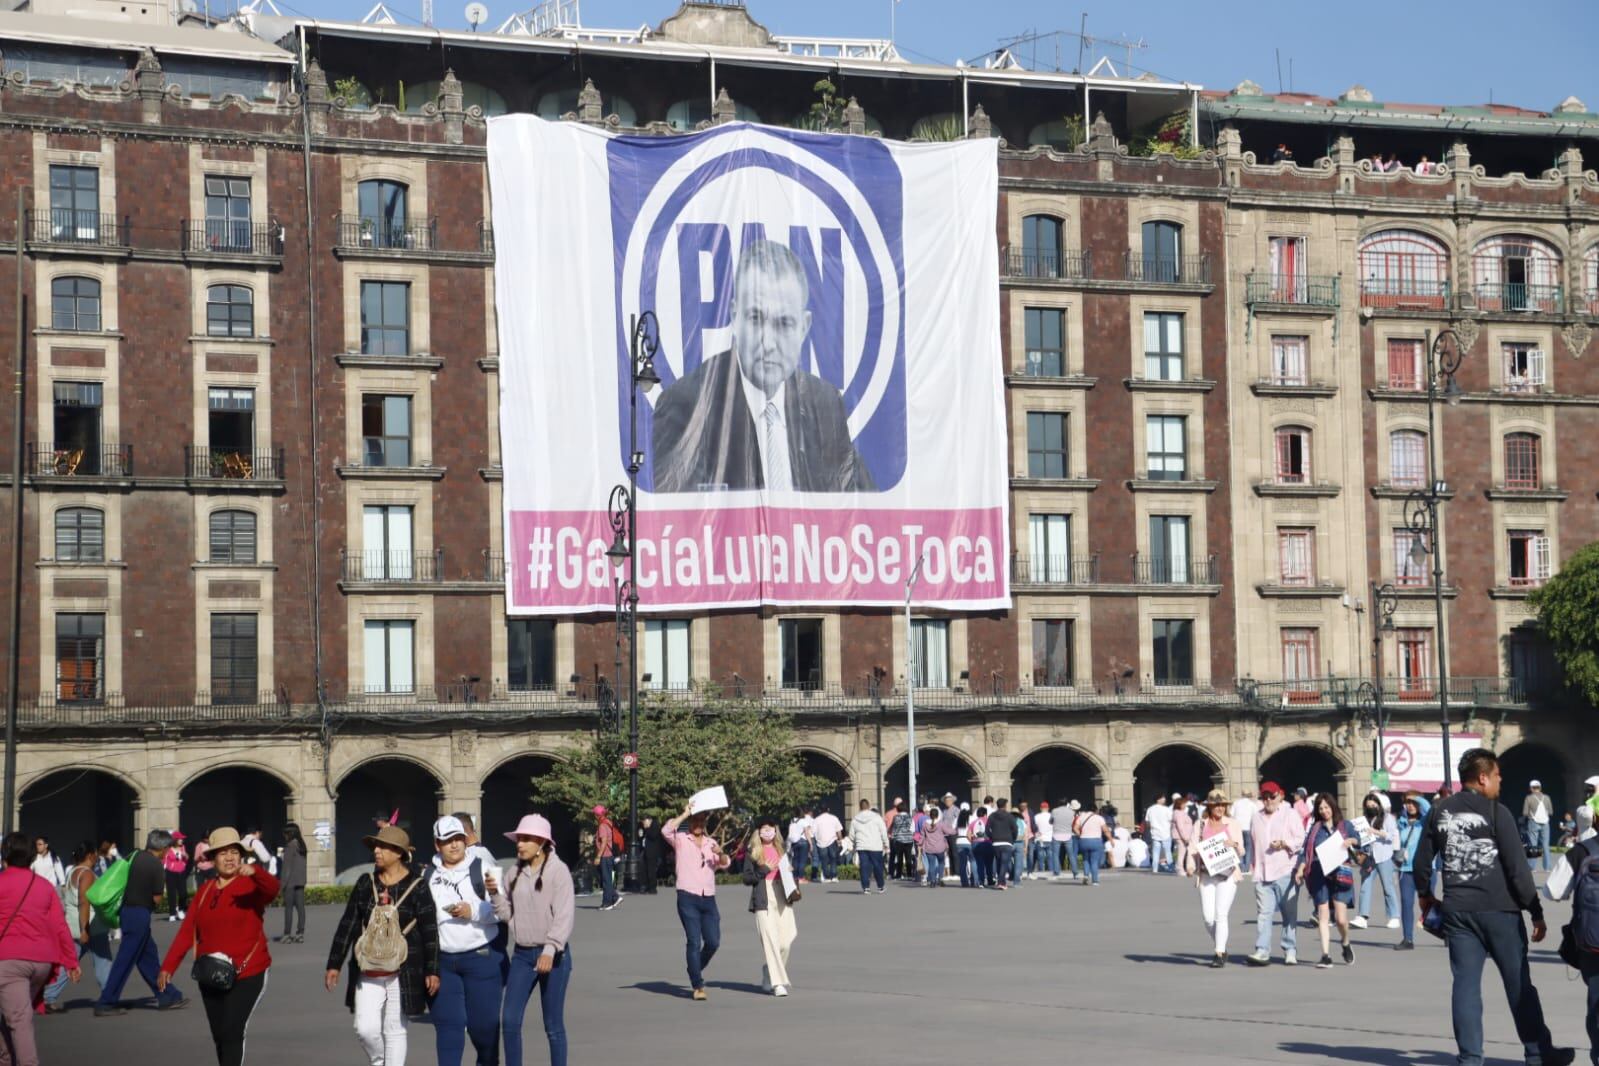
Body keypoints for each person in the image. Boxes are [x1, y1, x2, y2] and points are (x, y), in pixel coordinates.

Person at [650, 239, 876, 494]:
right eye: (756, 318)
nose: (768, 343)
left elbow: (864, 507)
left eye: (784, 323)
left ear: (804, 327)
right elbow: (674, 521)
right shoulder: (686, 406)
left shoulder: (825, 405)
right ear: (735, 317)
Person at [1416, 748, 1575, 1066]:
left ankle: (1470, 1059)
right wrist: (1536, 912)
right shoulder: (1496, 811)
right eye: (1498, 774)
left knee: (1465, 987)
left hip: (1458, 912)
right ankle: (1537, 1053)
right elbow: (1517, 869)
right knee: (1519, 985)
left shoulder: (1439, 811)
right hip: (1500, 911)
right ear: (1482, 777)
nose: (1501, 780)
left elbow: (1421, 862)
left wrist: (1426, 896)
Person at [157, 828, 277, 1066]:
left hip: (248, 972)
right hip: (211, 975)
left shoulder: (250, 886)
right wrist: (168, 966)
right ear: (213, 858)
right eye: (223, 853)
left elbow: (273, 889)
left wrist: (256, 873)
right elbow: (186, 931)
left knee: (232, 1031)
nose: (230, 857)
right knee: (220, 1036)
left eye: (234, 852)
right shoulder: (204, 892)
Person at [325, 824, 440, 1066]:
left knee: (395, 1029)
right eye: (375, 846)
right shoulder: (366, 883)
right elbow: (349, 923)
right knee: (364, 1028)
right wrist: (334, 963)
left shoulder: (418, 886)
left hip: (405, 968)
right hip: (369, 966)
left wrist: (432, 970)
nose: (376, 851)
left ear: (399, 853)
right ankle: (380, 1061)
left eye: (383, 847)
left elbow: (430, 930)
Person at [494, 815, 573, 1066]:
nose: (519, 844)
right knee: (509, 1021)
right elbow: (507, 914)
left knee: (552, 1025)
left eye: (525, 839)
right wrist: (495, 894)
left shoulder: (558, 872)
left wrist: (550, 950)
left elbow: (564, 915)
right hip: (522, 954)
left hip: (554, 955)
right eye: (518, 839)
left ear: (541, 842)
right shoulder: (514, 872)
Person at [427, 815, 506, 1066]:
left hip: (481, 959)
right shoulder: (428, 875)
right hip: (443, 963)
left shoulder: (485, 869)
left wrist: (471, 911)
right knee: (448, 1030)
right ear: (437, 844)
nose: (454, 845)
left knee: (484, 1029)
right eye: (447, 840)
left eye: (458, 839)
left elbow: (502, 910)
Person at [0, 831, 79, 1062]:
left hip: (9, 961)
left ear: (5, 855)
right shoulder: (44, 886)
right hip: (41, 963)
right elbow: (59, 926)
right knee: (13, 1014)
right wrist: (71, 961)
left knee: (18, 1019)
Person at [96, 828, 185, 1015]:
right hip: (140, 914)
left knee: (148, 959)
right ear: (162, 848)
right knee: (125, 960)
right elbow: (158, 898)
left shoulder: (134, 856)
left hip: (127, 911)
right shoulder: (155, 865)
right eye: (168, 848)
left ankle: (168, 995)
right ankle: (106, 1002)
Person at [662, 802, 731, 1001]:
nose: (698, 824)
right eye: (695, 820)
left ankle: (694, 967)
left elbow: (726, 863)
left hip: (708, 897)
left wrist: (720, 852)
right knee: (693, 941)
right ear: (690, 822)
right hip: (687, 896)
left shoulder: (711, 843)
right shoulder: (681, 839)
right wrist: (685, 813)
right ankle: (698, 985)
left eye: (701, 821)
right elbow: (666, 830)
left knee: (713, 942)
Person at [42, 841, 112, 1010]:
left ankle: (48, 996)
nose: (97, 857)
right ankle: (109, 996)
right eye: (95, 854)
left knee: (69, 962)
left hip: (73, 925)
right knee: (103, 963)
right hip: (89, 927)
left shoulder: (73, 871)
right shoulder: (87, 874)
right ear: (90, 855)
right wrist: (84, 929)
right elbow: (84, 903)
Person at [1296, 792, 1359, 969]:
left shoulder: (1345, 825)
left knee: (1340, 919)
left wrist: (1350, 840)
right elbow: (1306, 851)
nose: (1324, 811)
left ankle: (1345, 942)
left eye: (1326, 807)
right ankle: (1325, 955)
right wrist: (1301, 869)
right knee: (1323, 915)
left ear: (1333, 807)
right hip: (1318, 873)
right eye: (1320, 808)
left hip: (1340, 874)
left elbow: (1359, 840)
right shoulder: (1315, 828)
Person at [1247, 781, 1306, 966]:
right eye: (1264, 797)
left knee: (1289, 914)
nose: (1268, 800)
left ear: (1280, 796)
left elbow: (1300, 838)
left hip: (1286, 870)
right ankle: (1262, 950)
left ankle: (1290, 949)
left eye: (1271, 796)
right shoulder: (1256, 817)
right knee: (1264, 914)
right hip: (1263, 873)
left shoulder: (1290, 814)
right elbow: (1253, 842)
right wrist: (1253, 866)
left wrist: (1284, 843)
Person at [1185, 790, 1245, 968]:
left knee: (1221, 914)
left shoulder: (1232, 824)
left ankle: (1218, 952)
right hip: (1206, 874)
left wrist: (1233, 844)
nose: (1219, 808)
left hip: (1227, 874)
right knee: (1208, 918)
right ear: (1209, 807)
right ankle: (1222, 945)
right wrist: (1190, 865)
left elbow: (1241, 850)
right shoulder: (1201, 824)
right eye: (1216, 805)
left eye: (1222, 805)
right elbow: (1192, 847)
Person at [741, 819, 798, 997]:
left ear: (775, 831)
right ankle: (778, 983)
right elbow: (747, 878)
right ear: (758, 832)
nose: (767, 832)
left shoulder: (781, 848)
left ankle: (769, 971)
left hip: (782, 893)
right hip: (763, 897)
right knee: (770, 941)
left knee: (786, 941)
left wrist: (789, 870)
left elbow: (787, 872)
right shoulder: (753, 851)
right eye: (763, 829)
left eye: (770, 829)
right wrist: (764, 869)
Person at [1353, 793, 1400, 932]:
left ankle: (1394, 916)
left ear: (1379, 805)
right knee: (1365, 886)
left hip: (1384, 856)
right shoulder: (1364, 820)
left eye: (1373, 805)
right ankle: (1362, 916)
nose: (1371, 808)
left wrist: (1375, 832)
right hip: (1369, 857)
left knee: (1388, 887)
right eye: (1368, 806)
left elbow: (1391, 835)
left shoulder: (1387, 818)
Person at [1394, 791, 1431, 950]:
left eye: (1413, 802)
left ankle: (1446, 933)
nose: (1410, 805)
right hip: (1406, 869)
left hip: (1424, 868)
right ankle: (1407, 939)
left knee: (1429, 903)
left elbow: (1429, 809)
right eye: (1407, 802)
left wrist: (1417, 798)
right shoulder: (1401, 822)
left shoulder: (1425, 821)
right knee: (1406, 903)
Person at [848, 799, 889, 894]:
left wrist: (854, 842)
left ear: (860, 806)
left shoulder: (855, 819)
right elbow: (883, 832)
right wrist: (886, 844)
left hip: (862, 846)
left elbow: (851, 835)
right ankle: (880, 886)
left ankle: (866, 887)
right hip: (876, 846)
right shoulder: (877, 817)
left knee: (864, 866)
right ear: (869, 806)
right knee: (878, 866)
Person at [278, 823, 308, 944]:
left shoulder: (290, 846)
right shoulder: (302, 845)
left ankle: (287, 934)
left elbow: (287, 868)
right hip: (300, 881)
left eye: (285, 834)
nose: (284, 836)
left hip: (290, 882)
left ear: (289, 834)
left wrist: (282, 885)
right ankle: (300, 933)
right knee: (301, 908)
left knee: (289, 909)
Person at [591, 806, 622, 912]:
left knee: (606, 880)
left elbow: (603, 842)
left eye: (594, 814)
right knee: (607, 878)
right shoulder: (608, 822)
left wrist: (598, 856)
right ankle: (614, 897)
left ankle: (607, 902)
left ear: (597, 815)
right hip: (609, 855)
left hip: (605, 856)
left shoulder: (602, 826)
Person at [1073, 802, 1112, 886]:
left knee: (1086, 859)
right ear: (1095, 809)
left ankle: (1086, 875)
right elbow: (1105, 830)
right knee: (1094, 861)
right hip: (1095, 841)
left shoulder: (1081, 817)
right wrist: (1111, 839)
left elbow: (1075, 828)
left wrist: (1079, 834)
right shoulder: (1099, 818)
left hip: (1083, 841)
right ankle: (1095, 880)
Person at [986, 798, 1017, 890]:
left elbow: (987, 830)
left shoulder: (992, 816)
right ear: (1005, 805)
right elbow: (1015, 829)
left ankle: (1002, 882)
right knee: (1004, 863)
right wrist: (1013, 838)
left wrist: (992, 837)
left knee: (999, 862)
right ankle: (1001, 882)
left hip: (996, 842)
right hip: (1007, 841)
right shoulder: (1009, 816)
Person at [1523, 780, 1554, 872]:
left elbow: (1525, 812)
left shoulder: (1529, 798)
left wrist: (1529, 815)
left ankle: (1532, 867)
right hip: (1545, 823)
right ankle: (1547, 867)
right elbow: (1551, 812)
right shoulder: (1547, 798)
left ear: (1531, 788)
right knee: (1545, 845)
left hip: (1533, 822)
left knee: (1533, 844)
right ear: (1540, 788)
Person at [163, 831, 190, 922]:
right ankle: (172, 914)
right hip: (170, 873)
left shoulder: (183, 847)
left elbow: (187, 858)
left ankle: (181, 909)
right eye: (180, 839)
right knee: (172, 894)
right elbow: (164, 861)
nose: (182, 840)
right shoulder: (168, 849)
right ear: (175, 840)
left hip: (181, 872)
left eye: (182, 839)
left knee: (183, 893)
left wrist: (185, 855)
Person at [812, 805, 843, 884]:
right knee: (833, 858)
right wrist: (840, 839)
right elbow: (838, 831)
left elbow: (813, 832)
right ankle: (834, 876)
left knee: (824, 860)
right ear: (828, 809)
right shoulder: (834, 818)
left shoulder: (816, 820)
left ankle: (827, 876)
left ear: (820, 811)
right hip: (832, 840)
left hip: (821, 842)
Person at [1230, 790, 1259, 873]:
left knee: (1239, 847)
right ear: (1249, 795)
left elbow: (1231, 815)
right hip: (1248, 828)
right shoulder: (1252, 804)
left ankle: (1241, 865)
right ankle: (1246, 867)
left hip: (1237, 828)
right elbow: (1255, 817)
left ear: (1242, 795)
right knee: (1248, 848)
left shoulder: (1236, 803)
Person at [888, 801, 917, 882]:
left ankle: (898, 875)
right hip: (909, 840)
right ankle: (909, 875)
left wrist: (893, 835)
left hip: (899, 840)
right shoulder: (909, 817)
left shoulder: (896, 817)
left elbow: (892, 828)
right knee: (908, 858)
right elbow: (913, 829)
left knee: (899, 858)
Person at [1145, 794, 1174, 874]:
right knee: (1168, 852)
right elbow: (1171, 821)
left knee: (1155, 852)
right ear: (1158, 800)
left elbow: (1147, 822)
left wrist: (1152, 827)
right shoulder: (1167, 809)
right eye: (1162, 798)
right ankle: (1171, 868)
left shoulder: (1150, 809)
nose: (1164, 799)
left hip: (1155, 833)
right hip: (1166, 833)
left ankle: (1155, 869)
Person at [919, 805, 948, 886]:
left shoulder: (925, 824)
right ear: (938, 815)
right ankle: (940, 878)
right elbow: (948, 831)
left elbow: (922, 835)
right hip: (939, 847)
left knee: (931, 864)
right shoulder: (940, 824)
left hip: (929, 847)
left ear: (930, 815)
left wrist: (919, 844)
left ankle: (932, 881)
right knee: (941, 862)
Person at [1030, 801, 1059, 880]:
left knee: (1040, 856)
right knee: (1050, 856)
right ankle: (1050, 871)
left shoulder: (1036, 816)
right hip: (1050, 838)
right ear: (1048, 808)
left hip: (1040, 839)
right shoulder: (1051, 816)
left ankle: (1041, 871)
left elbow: (1034, 827)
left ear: (1040, 808)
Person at [786, 808, 814, 885]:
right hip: (803, 842)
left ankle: (795, 877)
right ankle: (801, 878)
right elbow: (806, 833)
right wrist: (811, 844)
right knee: (802, 860)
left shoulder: (792, 821)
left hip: (794, 842)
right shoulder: (803, 821)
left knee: (795, 860)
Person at [1171, 792, 1195, 878]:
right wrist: (1185, 838)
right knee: (1181, 854)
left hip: (1183, 836)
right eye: (1184, 803)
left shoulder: (1180, 812)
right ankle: (1179, 869)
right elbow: (1180, 827)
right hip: (1181, 837)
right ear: (1179, 804)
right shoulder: (1179, 813)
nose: (1185, 805)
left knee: (1182, 853)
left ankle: (1180, 868)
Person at [638, 815, 664, 895]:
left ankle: (652, 888)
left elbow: (653, 836)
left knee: (651, 871)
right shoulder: (647, 828)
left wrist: (647, 828)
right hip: (646, 851)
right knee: (644, 869)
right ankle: (646, 886)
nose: (643, 824)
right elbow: (642, 837)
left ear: (649, 820)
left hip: (652, 852)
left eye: (644, 822)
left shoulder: (655, 826)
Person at [953, 804, 974, 887]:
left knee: (962, 863)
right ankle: (973, 880)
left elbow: (953, 828)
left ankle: (964, 882)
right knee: (973, 861)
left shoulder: (957, 818)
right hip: (969, 841)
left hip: (959, 841)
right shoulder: (972, 818)